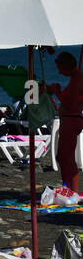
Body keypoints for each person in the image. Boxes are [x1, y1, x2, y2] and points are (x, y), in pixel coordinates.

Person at [48, 51, 83, 192]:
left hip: (71, 120)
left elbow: (70, 103)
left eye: (60, 69)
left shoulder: (77, 78)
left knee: (66, 157)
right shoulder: (76, 77)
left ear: (66, 65)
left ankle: (71, 191)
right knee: (62, 157)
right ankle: (67, 188)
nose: (59, 72)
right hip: (69, 120)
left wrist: (57, 91)